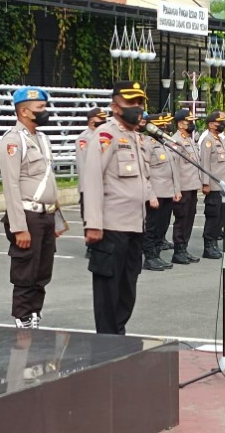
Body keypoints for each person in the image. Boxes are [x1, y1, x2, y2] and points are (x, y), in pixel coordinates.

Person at [82, 81, 154, 335]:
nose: (137, 108)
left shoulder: (137, 138)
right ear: (115, 107)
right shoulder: (106, 136)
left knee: (128, 288)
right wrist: (93, 223)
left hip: (135, 225)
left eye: (140, 103)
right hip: (111, 227)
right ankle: (107, 341)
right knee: (108, 290)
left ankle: (118, 333)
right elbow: (91, 179)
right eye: (130, 103)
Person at [0, 86, 61, 329]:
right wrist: (18, 227)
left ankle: (35, 312)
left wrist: (56, 219)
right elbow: (11, 186)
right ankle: (22, 316)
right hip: (27, 216)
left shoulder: (42, 139)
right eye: (40, 108)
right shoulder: (13, 141)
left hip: (45, 215)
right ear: (24, 111)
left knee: (43, 270)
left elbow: (48, 181)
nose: (45, 112)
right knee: (26, 270)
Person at [142, 113, 181, 271]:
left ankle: (157, 254)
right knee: (152, 226)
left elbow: (173, 170)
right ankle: (150, 257)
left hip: (168, 192)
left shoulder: (165, 143)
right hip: (155, 194)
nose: (165, 128)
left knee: (163, 226)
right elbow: (145, 173)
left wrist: (176, 190)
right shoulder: (147, 143)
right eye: (161, 125)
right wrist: (150, 195)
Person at [199, 110, 225, 259]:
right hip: (214, 187)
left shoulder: (219, 139)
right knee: (213, 216)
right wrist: (205, 183)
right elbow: (205, 164)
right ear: (211, 124)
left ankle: (214, 244)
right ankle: (208, 247)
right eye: (220, 122)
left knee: (221, 217)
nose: (223, 124)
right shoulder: (208, 141)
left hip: (223, 187)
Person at [170, 109, 202, 264]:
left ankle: (185, 248)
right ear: (180, 123)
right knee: (182, 219)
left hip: (192, 186)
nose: (192, 124)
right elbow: (174, 168)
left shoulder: (190, 139)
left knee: (190, 218)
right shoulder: (176, 141)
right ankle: (178, 250)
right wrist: (176, 189)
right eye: (189, 121)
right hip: (183, 187)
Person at [75, 108, 108, 258]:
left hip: (103, 185)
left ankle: (101, 244)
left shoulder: (103, 136)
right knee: (88, 215)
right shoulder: (84, 138)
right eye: (99, 119)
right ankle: (91, 247)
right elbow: (85, 164)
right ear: (91, 121)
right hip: (88, 186)